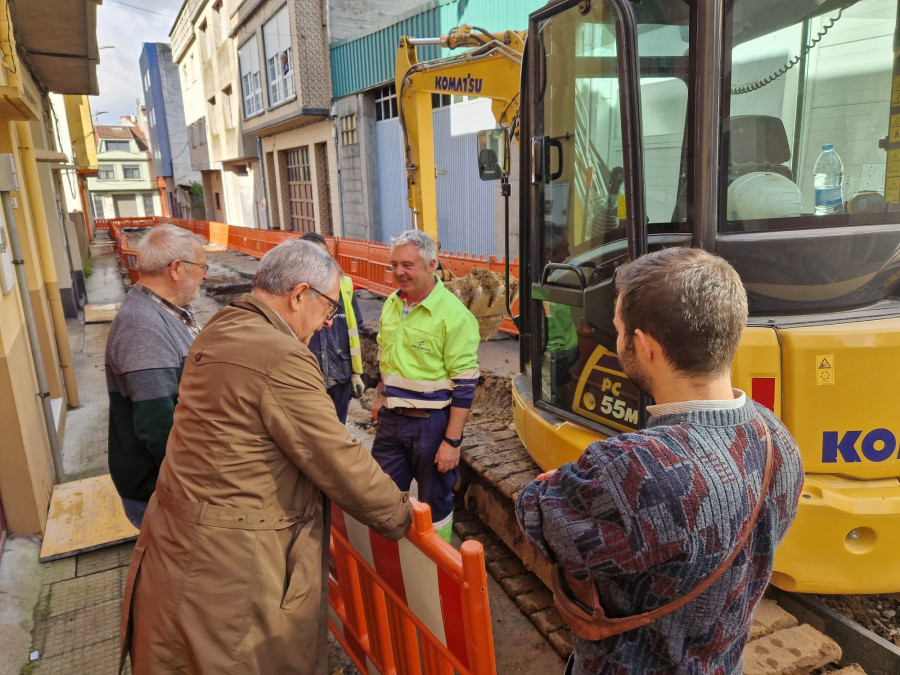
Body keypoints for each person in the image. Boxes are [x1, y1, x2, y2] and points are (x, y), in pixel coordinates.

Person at [120, 240, 414, 675]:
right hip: (232, 571)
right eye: (329, 308)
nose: (327, 322)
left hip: (179, 547)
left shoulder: (221, 326)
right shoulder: (282, 357)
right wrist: (400, 517)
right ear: (298, 295)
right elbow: (337, 456)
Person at [515, 247, 804, 674]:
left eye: (618, 331)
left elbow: (534, 511)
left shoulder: (633, 469)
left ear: (644, 346)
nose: (616, 341)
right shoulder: (777, 437)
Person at [370, 230, 480, 543]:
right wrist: (380, 398)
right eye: (394, 265)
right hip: (391, 421)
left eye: (408, 265)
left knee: (436, 503)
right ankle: (396, 561)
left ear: (431, 265)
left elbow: (465, 384)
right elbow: (385, 356)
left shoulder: (454, 316)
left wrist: (452, 442)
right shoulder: (392, 304)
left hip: (432, 426)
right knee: (385, 496)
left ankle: (437, 568)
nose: (399, 272)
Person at [105, 223, 208, 529]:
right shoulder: (143, 328)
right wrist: (203, 489)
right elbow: (157, 424)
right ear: (176, 269)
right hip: (165, 493)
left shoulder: (161, 312)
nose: (206, 275)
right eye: (202, 267)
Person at [299, 232, 365, 423]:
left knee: (338, 435)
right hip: (307, 382)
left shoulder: (344, 286)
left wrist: (355, 374)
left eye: (324, 258)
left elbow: (355, 329)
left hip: (339, 377)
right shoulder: (293, 292)